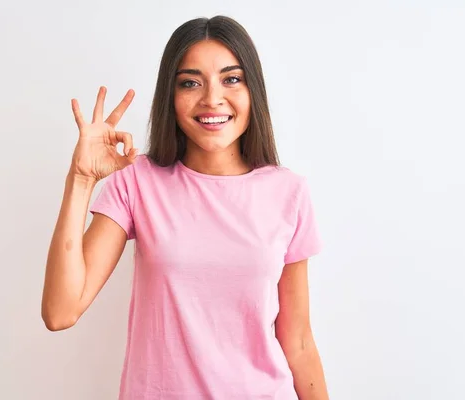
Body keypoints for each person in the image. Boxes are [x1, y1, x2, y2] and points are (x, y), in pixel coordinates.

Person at [41, 15, 329, 400]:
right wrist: (80, 179)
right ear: (170, 98)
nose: (212, 98)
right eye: (191, 83)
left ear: (252, 91)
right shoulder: (138, 182)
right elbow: (61, 312)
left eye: (232, 79)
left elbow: (299, 342)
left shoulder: (288, 192)